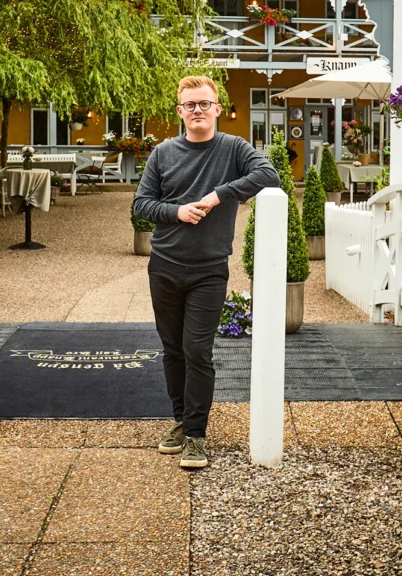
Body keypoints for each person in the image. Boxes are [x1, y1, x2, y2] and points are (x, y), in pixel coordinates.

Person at [133, 76, 280, 469]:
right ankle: (180, 420)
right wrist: (176, 211)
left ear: (217, 108)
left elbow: (269, 176)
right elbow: (142, 204)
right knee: (173, 350)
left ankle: (196, 435)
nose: (197, 110)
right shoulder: (163, 153)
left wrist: (220, 194)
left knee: (198, 350)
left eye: (205, 103)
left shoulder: (234, 149)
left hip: (209, 270)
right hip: (164, 266)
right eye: (190, 104)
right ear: (180, 112)